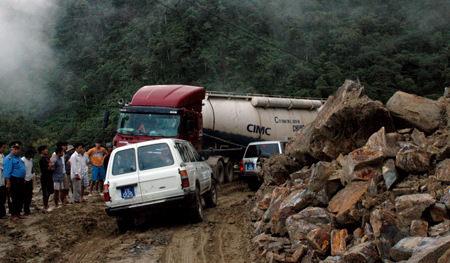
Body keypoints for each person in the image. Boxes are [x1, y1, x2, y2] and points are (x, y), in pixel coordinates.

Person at [3, 141, 27, 220]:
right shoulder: (9, 158)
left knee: (20, 196)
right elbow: (7, 171)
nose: (16, 151)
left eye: (18, 149)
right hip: (13, 179)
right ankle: (13, 214)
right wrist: (8, 183)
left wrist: (23, 178)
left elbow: (21, 169)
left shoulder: (19, 158)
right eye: (15, 149)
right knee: (14, 197)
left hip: (20, 179)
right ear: (11, 149)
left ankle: (19, 212)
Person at [38, 145, 54, 212]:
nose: (47, 150)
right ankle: (45, 206)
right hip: (45, 177)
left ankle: (47, 205)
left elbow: (51, 163)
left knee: (49, 191)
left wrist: (51, 165)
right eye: (45, 149)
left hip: (49, 176)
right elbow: (48, 167)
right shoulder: (41, 159)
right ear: (42, 151)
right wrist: (51, 165)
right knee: (45, 192)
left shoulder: (46, 158)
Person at [22, 147, 37, 215]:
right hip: (25, 179)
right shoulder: (22, 160)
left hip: (30, 178)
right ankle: (25, 209)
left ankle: (27, 209)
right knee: (25, 195)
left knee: (29, 195)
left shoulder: (31, 160)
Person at [0, 141, 7, 219]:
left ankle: (3, 213)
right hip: (0, 181)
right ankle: (1, 214)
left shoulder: (2, 156)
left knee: (3, 198)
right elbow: (4, 165)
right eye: (3, 147)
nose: (4, 149)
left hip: (2, 180)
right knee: (1, 198)